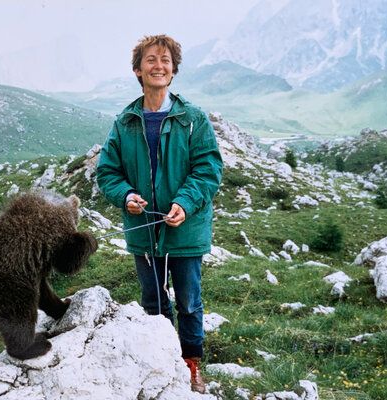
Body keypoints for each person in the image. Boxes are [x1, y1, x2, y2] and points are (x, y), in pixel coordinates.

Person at [96, 34, 223, 394]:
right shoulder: (125, 122)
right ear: (138, 70)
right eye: (151, 59)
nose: (159, 65)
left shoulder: (193, 119)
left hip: (186, 229)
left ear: (173, 70)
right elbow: (107, 172)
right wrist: (126, 196)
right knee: (153, 301)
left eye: (165, 60)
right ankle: (162, 361)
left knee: (188, 301)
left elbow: (208, 169)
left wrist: (184, 202)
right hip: (143, 230)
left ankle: (191, 365)